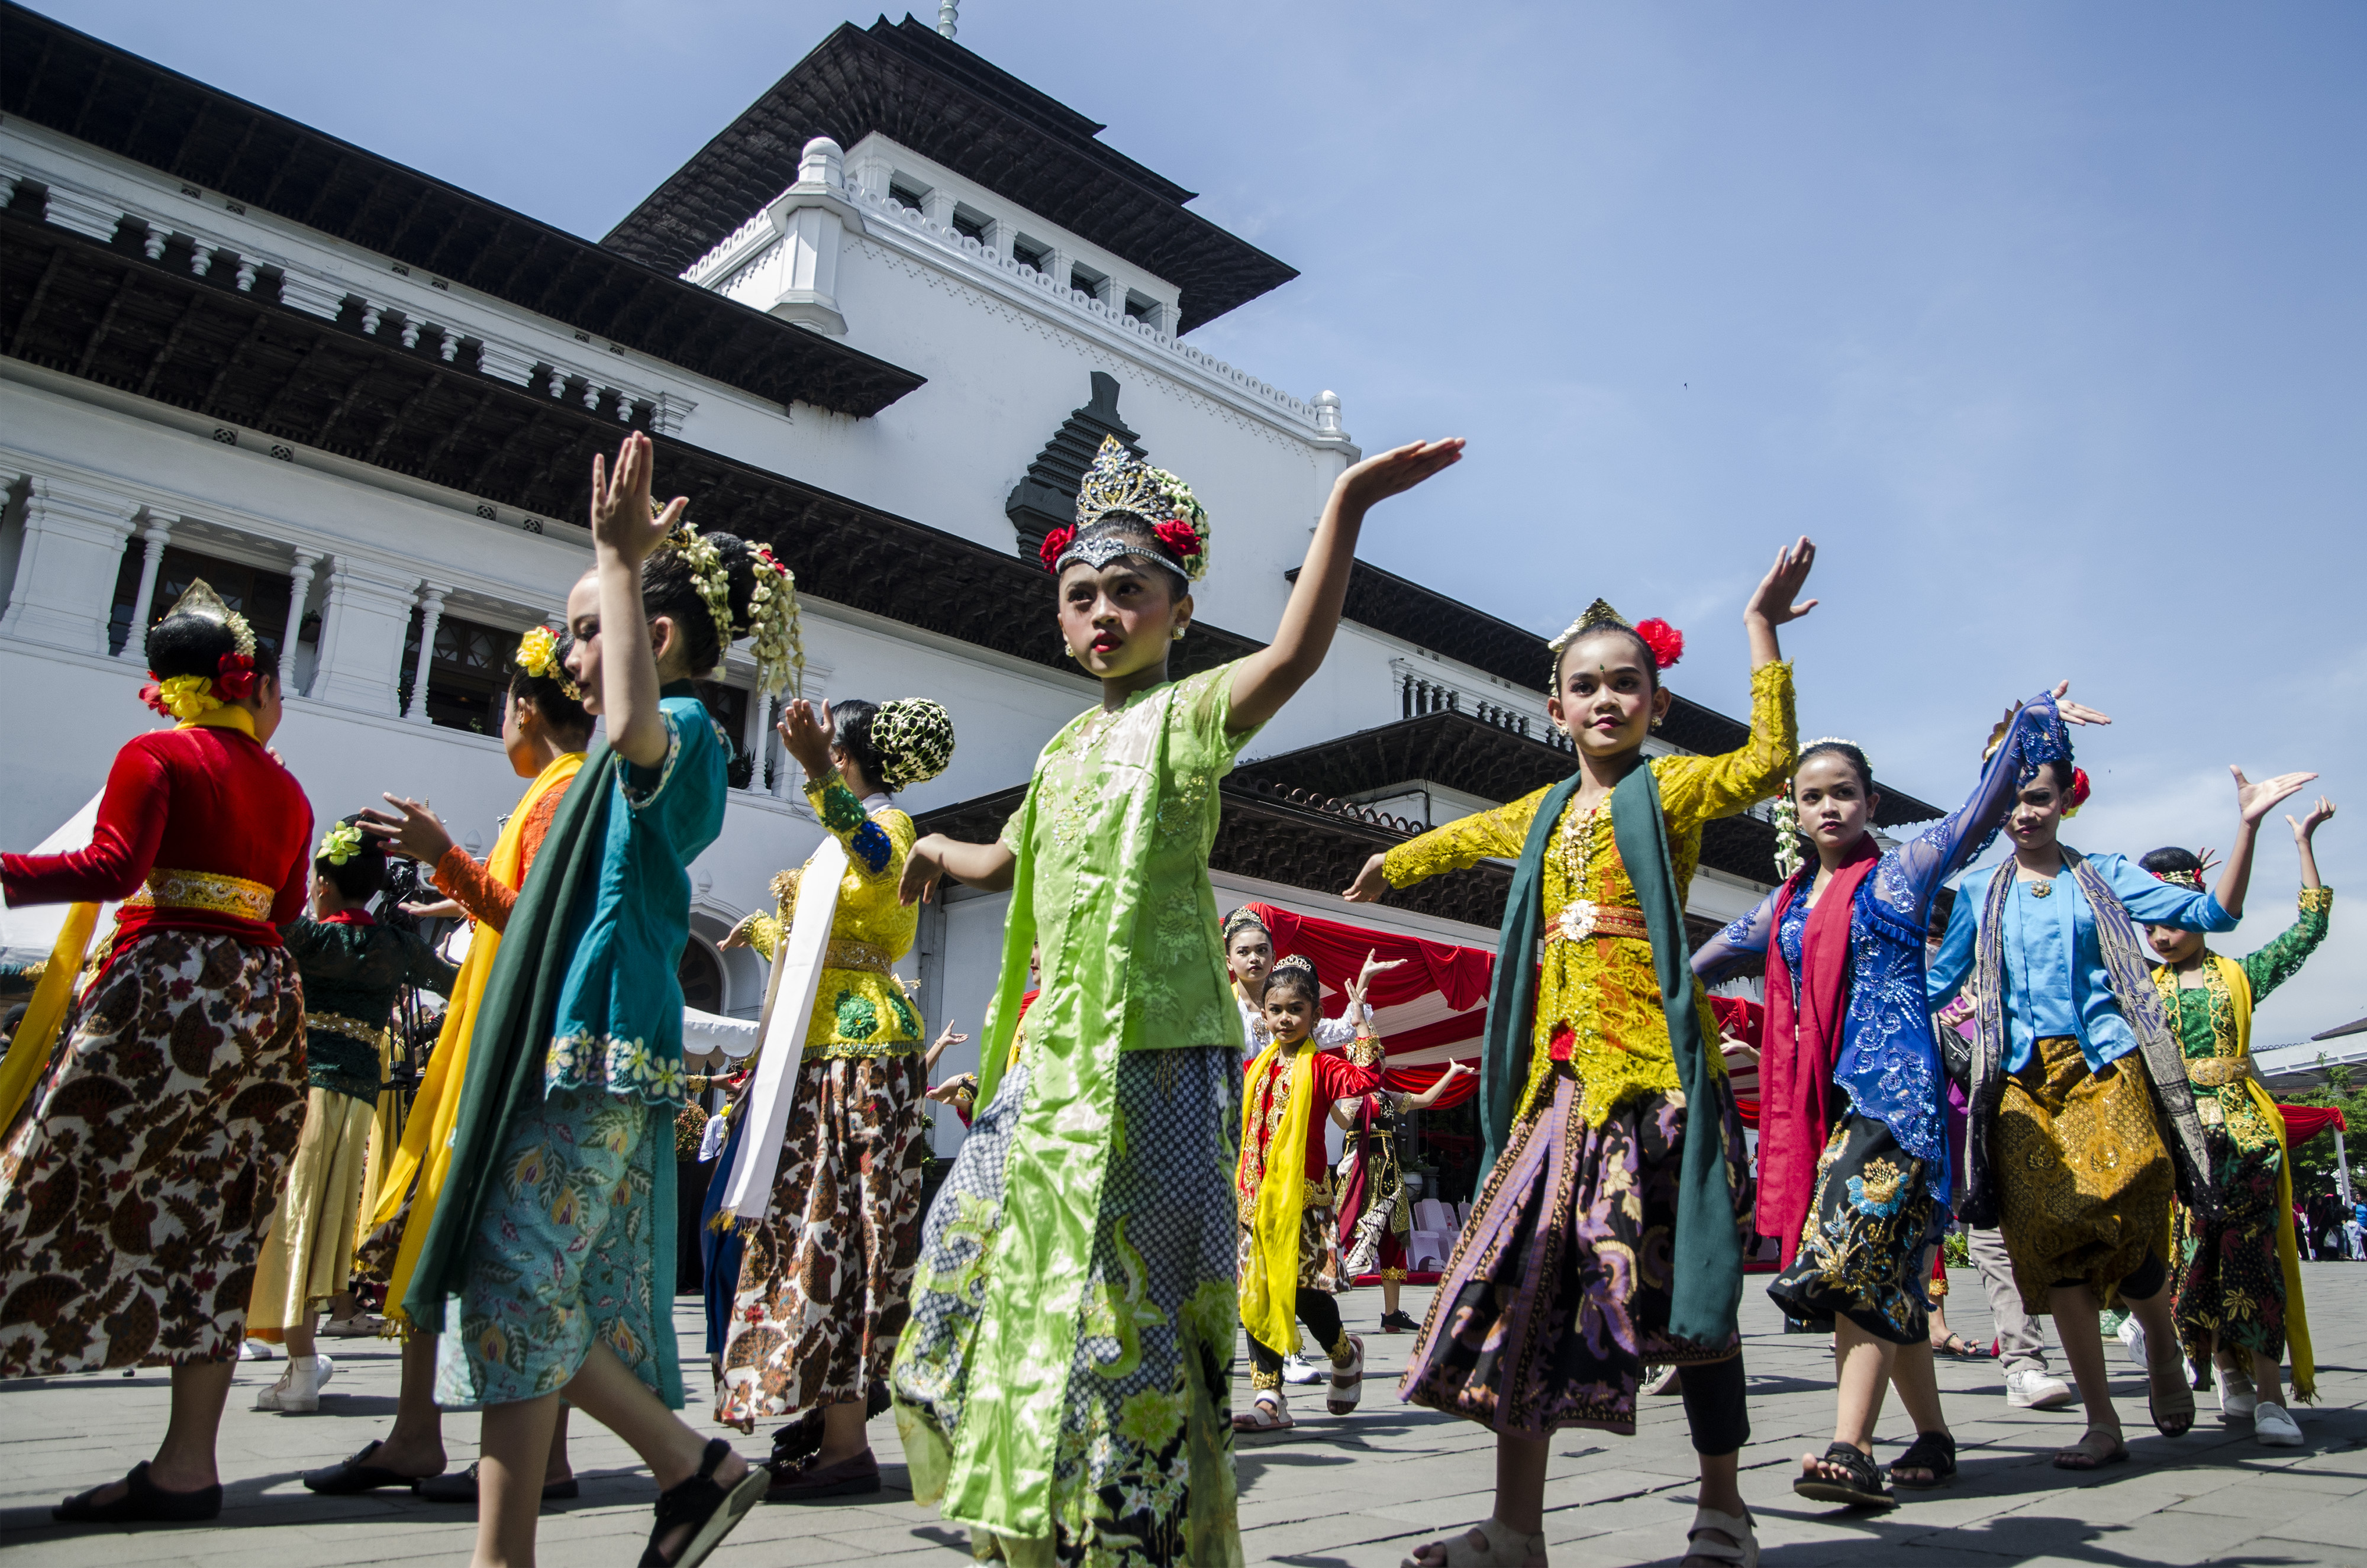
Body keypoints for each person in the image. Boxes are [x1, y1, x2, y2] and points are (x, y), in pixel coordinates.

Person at [893, 431, 1463, 1564]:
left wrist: (1343, 506)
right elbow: (1007, 862)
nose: (1103, 612)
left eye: (1128, 591)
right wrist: (934, 847)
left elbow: (1296, 657)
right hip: (1050, 1061)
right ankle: (1039, 1501)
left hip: (1156, 1052)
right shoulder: (1061, 750)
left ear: (1179, 608)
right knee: (960, 1272)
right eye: (1081, 594)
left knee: (1128, 1314)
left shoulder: (1192, 714)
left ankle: (1133, 1531)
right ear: (1059, 616)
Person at [1348, 545, 1818, 1568]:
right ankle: (1518, 1530)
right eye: (1584, 686)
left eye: (1625, 683)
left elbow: (1769, 765)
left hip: (1657, 1086)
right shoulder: (1547, 811)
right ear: (1553, 709)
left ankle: (1723, 1508)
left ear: (1654, 700)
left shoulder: (1677, 792)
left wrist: (1762, 633)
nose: (1605, 699)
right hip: (1557, 1093)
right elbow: (1471, 836)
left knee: (1694, 1304)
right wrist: (1393, 858)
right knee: (1527, 1294)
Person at [402, 431, 795, 1568]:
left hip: (605, 1047)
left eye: (583, 633)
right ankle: (509, 1551)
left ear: (651, 637)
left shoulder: (680, 738)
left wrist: (615, 563)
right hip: (576, 1043)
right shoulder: (606, 773)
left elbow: (628, 723)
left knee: (515, 1276)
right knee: (529, 1289)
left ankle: (691, 1465)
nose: (565, 657)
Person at [1694, 688, 2098, 1508]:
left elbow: (1982, 809)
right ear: (1794, 812)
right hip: (1827, 1109)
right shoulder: (1783, 906)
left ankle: (1851, 1447)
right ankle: (1936, 1438)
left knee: (1851, 1264)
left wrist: (2031, 720)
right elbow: (1691, 969)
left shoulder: (1905, 872)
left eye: (1845, 791)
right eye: (1814, 795)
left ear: (1872, 803)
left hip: (1900, 1102)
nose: (1830, 805)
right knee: (1890, 1281)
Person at [0, 582, 312, 1523]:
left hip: (164, 986)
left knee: (48, 1178)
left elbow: (112, 868)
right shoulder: (289, 787)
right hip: (263, 1003)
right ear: (247, 684)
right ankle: (187, 1463)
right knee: (221, 1215)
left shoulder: (156, 754)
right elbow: (288, 910)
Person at [1927, 755, 2316, 1472]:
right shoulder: (1979, 889)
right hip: (2021, 1082)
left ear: (2062, 801)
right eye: (2010, 801)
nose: (2025, 814)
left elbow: (2213, 914)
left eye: (2038, 798)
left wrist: (2249, 825)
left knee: (2137, 1191)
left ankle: (2161, 1341)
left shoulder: (2100, 872)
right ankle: (2102, 1420)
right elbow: (1936, 984)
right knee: (2057, 1240)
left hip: (2109, 1065)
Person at [302, 628, 595, 1502]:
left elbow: (534, 919)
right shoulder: (559, 788)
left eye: (500, 706)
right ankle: (435, 1433)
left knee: (468, 1228)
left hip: (507, 1046)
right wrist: (453, 878)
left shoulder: (560, 792)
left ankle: (469, 1440)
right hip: (501, 1034)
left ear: (526, 708)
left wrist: (444, 857)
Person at [710, 695, 957, 1498]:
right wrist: (763, 931)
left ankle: (847, 1434)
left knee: (845, 1222)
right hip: (817, 1047)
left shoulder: (894, 826)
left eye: (827, 747)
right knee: (811, 1221)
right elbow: (827, 933)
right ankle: (825, 1414)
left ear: (848, 752)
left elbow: (881, 863)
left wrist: (816, 773)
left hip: (862, 1048)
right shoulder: (837, 833)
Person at [247, 817, 457, 1413]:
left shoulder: (308, 941)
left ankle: (303, 1362)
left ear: (321, 884)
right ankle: (301, 1360)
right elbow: (460, 982)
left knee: (294, 1226)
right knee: (327, 1228)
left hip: (303, 1098)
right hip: (361, 1108)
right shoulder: (396, 948)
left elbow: (263, 914)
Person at [2145, 798, 2337, 1449]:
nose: (2162, 935)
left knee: (2253, 1263)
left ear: (2200, 911)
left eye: (2173, 919)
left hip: (2249, 1138)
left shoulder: (2241, 976)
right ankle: (2227, 1372)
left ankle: (2272, 1395)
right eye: (2151, 924)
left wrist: (2303, 841)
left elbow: (2308, 931)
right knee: (2195, 1264)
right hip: (2182, 1146)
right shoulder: (2138, 989)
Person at [1234, 956, 1391, 1432]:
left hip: (1302, 1204)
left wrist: (1360, 1020)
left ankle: (1344, 1354)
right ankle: (1269, 1399)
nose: (1284, 1018)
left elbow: (1367, 1079)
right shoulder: (1255, 1068)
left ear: (1314, 1016)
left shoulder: (1322, 1067)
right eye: (1275, 1009)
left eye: (1295, 1009)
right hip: (1253, 1202)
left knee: (1305, 1296)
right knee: (1255, 1295)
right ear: (1263, 1014)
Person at [1336, 1060, 1476, 1332]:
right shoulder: (1352, 1093)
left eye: (1382, 1058)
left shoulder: (1389, 1096)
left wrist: (1452, 1072)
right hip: (1363, 1176)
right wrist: (1329, 1101)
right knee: (1353, 1239)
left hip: (1390, 1176)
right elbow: (1343, 1122)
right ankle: (1325, 1308)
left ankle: (1392, 1314)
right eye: (1375, 1058)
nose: (1380, 1063)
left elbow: (1425, 1099)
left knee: (1394, 1239)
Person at [1226, 905, 1388, 1057]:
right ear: (1228, 961)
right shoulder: (1218, 1009)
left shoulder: (1292, 1009)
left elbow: (1345, 1029)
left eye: (1262, 950)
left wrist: (1364, 979)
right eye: (1243, 952)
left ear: (1273, 957)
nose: (1254, 958)